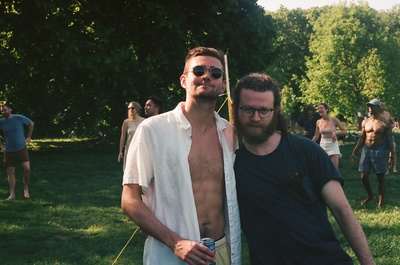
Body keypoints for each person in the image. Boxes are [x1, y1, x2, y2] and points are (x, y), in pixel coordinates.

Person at [232, 73, 375, 265]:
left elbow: (342, 210)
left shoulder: (307, 151)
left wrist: (368, 263)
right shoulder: (231, 164)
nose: (256, 117)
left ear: (276, 111)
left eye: (264, 110)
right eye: (248, 109)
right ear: (235, 109)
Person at [121, 47, 241, 265]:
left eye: (215, 73)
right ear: (184, 80)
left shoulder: (229, 134)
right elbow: (129, 200)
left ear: (223, 85)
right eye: (198, 70)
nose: (207, 76)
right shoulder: (153, 129)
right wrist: (175, 242)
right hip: (171, 250)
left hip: (221, 249)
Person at [350, 99, 394, 208]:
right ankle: (370, 195)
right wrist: (354, 152)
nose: (370, 108)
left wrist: (391, 156)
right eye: (369, 106)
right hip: (366, 150)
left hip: (379, 150)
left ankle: (380, 202)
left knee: (380, 177)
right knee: (363, 175)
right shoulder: (365, 122)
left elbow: (389, 141)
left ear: (379, 108)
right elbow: (362, 138)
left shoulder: (385, 123)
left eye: (372, 106)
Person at [0, 103, 34, 200]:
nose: (3, 112)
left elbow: (31, 124)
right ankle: (12, 194)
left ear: (10, 109)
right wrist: (1, 145)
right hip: (9, 150)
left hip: (21, 147)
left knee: (27, 168)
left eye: (5, 110)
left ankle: (26, 189)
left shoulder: (19, 118)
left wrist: (29, 137)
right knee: (10, 171)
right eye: (2, 111)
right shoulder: (1, 122)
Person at [312, 103, 347, 169]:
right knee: (323, 168)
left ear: (326, 109)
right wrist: (310, 144)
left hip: (333, 144)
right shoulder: (318, 122)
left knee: (334, 169)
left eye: (321, 108)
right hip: (323, 145)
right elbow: (316, 136)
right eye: (318, 109)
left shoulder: (334, 120)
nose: (319, 110)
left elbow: (344, 131)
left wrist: (335, 133)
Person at [117, 102, 145, 171]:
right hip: (129, 147)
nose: (130, 110)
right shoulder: (126, 122)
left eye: (132, 108)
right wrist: (120, 151)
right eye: (129, 108)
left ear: (137, 109)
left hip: (140, 147)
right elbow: (123, 137)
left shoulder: (144, 121)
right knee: (129, 169)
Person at [380, 100, 397, 174]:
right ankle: (385, 169)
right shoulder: (376, 114)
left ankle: (394, 168)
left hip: (389, 135)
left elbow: (392, 122)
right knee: (382, 152)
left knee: (393, 151)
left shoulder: (387, 114)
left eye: (384, 105)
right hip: (381, 136)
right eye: (381, 105)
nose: (383, 107)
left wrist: (392, 125)